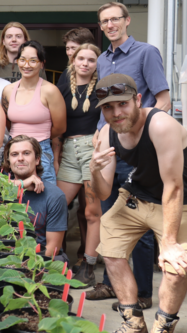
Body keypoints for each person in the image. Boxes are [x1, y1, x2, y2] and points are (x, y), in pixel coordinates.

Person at [87, 1, 171, 309]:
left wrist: (144, 132)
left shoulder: (146, 53)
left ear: (126, 21)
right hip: (109, 147)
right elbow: (106, 105)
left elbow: (163, 98)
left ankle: (144, 293)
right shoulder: (102, 59)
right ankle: (112, 286)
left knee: (141, 222)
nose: (109, 25)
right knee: (111, 218)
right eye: (104, 21)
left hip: (137, 150)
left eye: (114, 19)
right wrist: (100, 134)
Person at [90, 73, 187, 333]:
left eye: (123, 103)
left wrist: (167, 243)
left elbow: (174, 186)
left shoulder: (160, 125)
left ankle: (163, 325)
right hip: (137, 195)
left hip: (179, 200)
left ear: (138, 100)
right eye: (108, 107)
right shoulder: (108, 132)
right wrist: (94, 170)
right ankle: (133, 322)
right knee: (110, 248)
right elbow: (102, 192)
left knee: (175, 267)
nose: (116, 112)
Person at [56, 43, 102, 286]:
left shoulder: (102, 89)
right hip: (68, 151)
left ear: (97, 64)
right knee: (57, 205)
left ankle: (88, 263)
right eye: (80, 58)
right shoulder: (62, 89)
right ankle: (55, 257)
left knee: (91, 212)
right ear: (73, 61)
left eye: (91, 60)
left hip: (92, 151)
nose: (85, 63)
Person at [1, 40, 66, 184]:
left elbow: (60, 127)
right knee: (11, 198)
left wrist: (38, 138)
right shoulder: (8, 90)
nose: (26, 65)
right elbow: (7, 122)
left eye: (33, 61)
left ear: (42, 63)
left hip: (41, 150)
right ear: (17, 61)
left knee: (44, 196)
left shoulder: (51, 91)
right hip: (14, 149)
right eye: (22, 60)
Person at [2, 135, 68, 261]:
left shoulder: (54, 196)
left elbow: (53, 248)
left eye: (26, 153)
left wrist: (24, 266)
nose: (20, 158)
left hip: (39, 260)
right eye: (14, 154)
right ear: (8, 162)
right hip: (5, 258)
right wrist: (22, 184)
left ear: (37, 159)